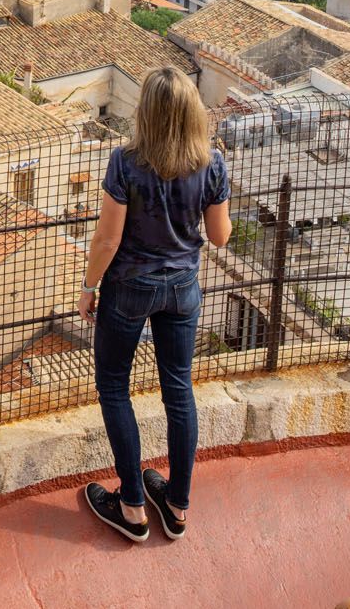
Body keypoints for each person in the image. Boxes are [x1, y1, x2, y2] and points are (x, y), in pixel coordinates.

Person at [78, 66, 232, 543]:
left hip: (129, 288)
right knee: (178, 391)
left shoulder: (125, 162)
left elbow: (107, 239)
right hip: (183, 288)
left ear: (145, 112)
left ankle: (130, 506)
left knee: (114, 386)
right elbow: (221, 237)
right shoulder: (212, 162)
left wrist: (88, 287)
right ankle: (178, 505)